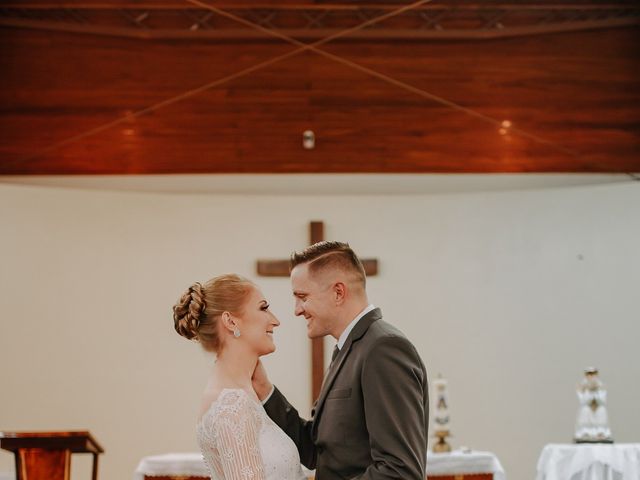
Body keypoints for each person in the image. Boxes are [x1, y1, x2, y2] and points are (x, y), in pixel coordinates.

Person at [252, 241, 429, 479]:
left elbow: (400, 471)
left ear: (338, 292)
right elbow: (318, 450)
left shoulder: (383, 349)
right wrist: (265, 390)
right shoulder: (349, 348)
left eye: (302, 297)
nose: (296, 310)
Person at [173, 274, 306, 480]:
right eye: (263, 308)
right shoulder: (231, 405)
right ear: (231, 321)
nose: (275, 320)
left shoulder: (243, 394)